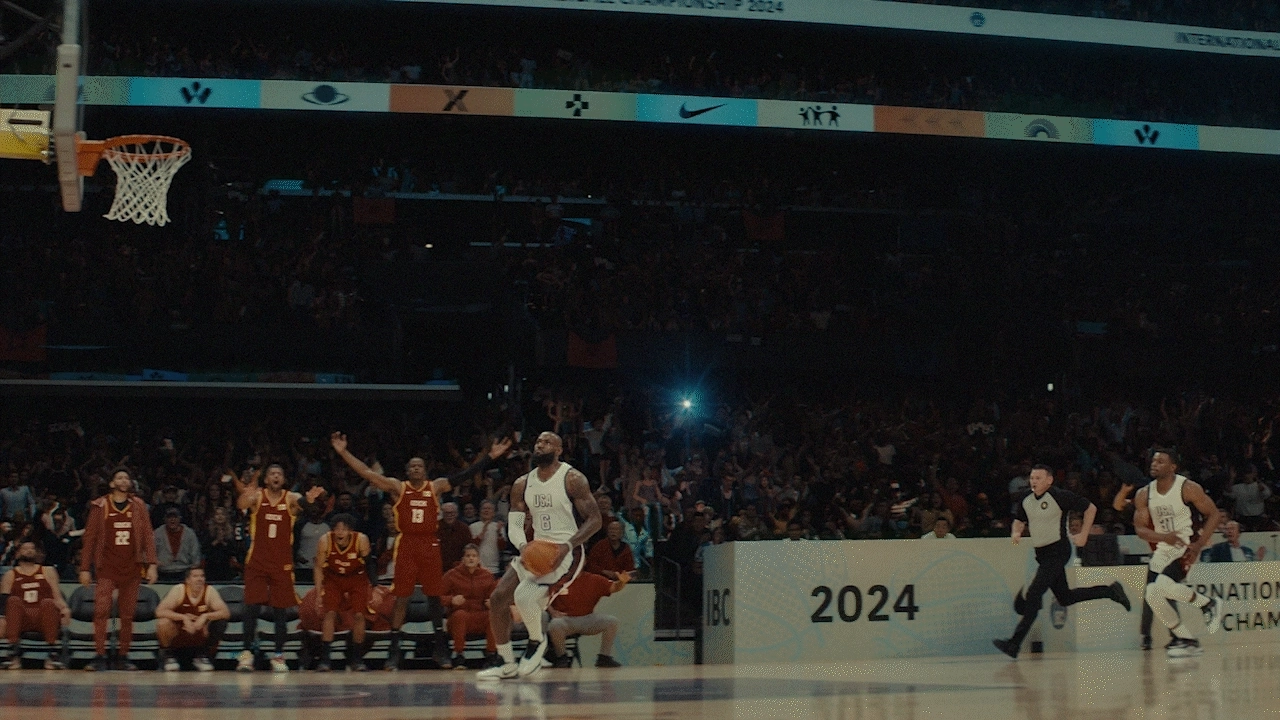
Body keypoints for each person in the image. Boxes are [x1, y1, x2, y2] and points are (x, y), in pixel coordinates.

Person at [331, 431, 512, 670]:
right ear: (407, 471)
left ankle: (440, 648)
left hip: (429, 544)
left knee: (434, 597)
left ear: (425, 470)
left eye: (419, 466)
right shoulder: (398, 487)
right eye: (412, 466)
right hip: (407, 544)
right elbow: (367, 473)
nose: (416, 469)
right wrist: (343, 452)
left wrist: (490, 456)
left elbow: (463, 475)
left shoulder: (435, 487)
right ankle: (394, 650)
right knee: (402, 597)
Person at [479, 431, 602, 680]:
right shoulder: (522, 484)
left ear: (559, 450)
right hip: (536, 549)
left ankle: (537, 642)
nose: (540, 445)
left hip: (567, 552)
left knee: (524, 597)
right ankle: (507, 663)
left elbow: (595, 520)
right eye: (538, 442)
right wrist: (524, 547)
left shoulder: (572, 479)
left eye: (547, 442)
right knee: (498, 598)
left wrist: (567, 545)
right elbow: (514, 524)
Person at [993, 465, 1130, 659]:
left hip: (1058, 550)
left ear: (1049, 480)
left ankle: (1014, 643)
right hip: (1042, 554)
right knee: (1065, 597)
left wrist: (1083, 535)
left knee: (1034, 593)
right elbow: (1019, 519)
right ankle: (1110, 591)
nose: (1033, 481)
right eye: (1032, 478)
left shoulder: (1059, 496)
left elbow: (1091, 508)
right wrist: (1016, 531)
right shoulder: (1026, 499)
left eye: (1038, 478)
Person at [234, 463, 323, 673]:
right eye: (272, 473)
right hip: (257, 561)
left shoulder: (290, 498)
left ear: (283, 479)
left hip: (281, 563)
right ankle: (246, 654)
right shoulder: (257, 496)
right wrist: (247, 492)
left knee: (280, 611)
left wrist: (309, 500)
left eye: (279, 474)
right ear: (266, 479)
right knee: (251, 608)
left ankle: (279, 655)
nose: (275, 476)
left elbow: (305, 505)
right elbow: (241, 505)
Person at [1133, 449, 1222, 657]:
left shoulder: (1188, 488)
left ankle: (1208, 604)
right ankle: (1187, 639)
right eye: (1153, 461)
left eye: (1161, 461)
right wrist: (1164, 538)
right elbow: (1140, 530)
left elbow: (1214, 514)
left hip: (1185, 546)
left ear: (1173, 467)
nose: (1154, 464)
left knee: (1161, 586)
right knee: (1152, 595)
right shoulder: (1144, 494)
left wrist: (1199, 544)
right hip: (1164, 548)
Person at [79, 468, 158, 671]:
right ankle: (100, 654)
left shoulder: (138, 505)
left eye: (126, 477)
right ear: (112, 483)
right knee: (102, 611)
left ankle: (122, 655)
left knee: (126, 615)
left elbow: (148, 536)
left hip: (132, 568)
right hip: (106, 567)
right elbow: (89, 538)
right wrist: (84, 568)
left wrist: (152, 565)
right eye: (119, 477)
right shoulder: (100, 505)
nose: (124, 480)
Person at [313, 513, 371, 672]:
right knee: (329, 613)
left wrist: (375, 586)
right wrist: (319, 592)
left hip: (357, 578)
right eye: (337, 529)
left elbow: (370, 565)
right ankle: (325, 660)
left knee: (359, 615)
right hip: (333, 579)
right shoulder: (325, 541)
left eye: (344, 529)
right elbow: (318, 567)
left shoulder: (361, 540)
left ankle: (357, 659)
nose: (340, 532)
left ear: (351, 531)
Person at [1, 541, 70, 669]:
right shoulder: (10, 575)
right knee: (13, 601)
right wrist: (2, 618)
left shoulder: (47, 571)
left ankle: (52, 652)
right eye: (25, 548)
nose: (29, 550)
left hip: (43, 616)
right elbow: (3, 603)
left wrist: (65, 609)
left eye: (32, 548)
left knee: (48, 602)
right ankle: (13, 652)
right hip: (22, 618)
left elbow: (57, 596)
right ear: (17, 554)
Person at [546, 570, 631, 668]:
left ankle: (604, 657)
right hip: (565, 620)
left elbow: (614, 587)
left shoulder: (594, 579)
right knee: (555, 624)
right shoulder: (557, 579)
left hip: (587, 618)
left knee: (612, 621)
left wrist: (622, 582)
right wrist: (552, 611)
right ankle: (561, 657)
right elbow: (544, 597)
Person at [155, 567, 230, 672]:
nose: (200, 579)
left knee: (220, 622)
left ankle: (203, 656)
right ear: (187, 580)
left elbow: (225, 612)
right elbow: (159, 611)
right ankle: (169, 656)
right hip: (180, 634)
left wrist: (205, 617)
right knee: (163, 622)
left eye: (202, 576)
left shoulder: (209, 591)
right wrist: (183, 618)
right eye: (195, 576)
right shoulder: (179, 590)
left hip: (200, 635)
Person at [441, 544, 498, 669]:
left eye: (474, 556)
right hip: (459, 616)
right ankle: (459, 655)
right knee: (460, 615)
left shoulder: (487, 575)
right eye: (468, 556)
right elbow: (437, 597)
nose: (471, 559)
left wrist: (492, 602)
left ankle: (491, 654)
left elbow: (495, 597)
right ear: (462, 559)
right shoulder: (451, 575)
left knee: (492, 616)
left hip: (480, 615)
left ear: (478, 559)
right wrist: (451, 600)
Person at [154, 508, 202, 582]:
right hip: (163, 572)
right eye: (169, 517)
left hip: (184, 572)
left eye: (175, 517)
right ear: (165, 519)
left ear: (180, 518)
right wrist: (155, 562)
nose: (172, 520)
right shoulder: (157, 533)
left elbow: (196, 556)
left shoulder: (189, 533)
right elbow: (149, 552)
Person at [1225, 464, 1272, 532]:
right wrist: (1232, 478)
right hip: (1242, 518)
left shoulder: (1259, 486)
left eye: (1249, 473)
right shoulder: (1238, 487)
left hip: (1257, 518)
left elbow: (1267, 494)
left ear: (1254, 474)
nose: (1247, 476)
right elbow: (1227, 493)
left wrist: (1262, 489)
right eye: (1246, 473)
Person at [470, 500, 507, 576]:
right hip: (477, 567)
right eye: (484, 508)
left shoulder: (499, 526)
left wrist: (499, 533)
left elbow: (502, 547)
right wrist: (483, 531)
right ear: (480, 511)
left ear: (493, 512)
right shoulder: (473, 526)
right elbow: (472, 546)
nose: (486, 510)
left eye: (489, 508)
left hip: (494, 568)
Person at [1201, 520, 1266, 562]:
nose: (1229, 531)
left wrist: (1257, 559)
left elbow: (1251, 568)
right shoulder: (1218, 548)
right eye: (1227, 529)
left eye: (1232, 529)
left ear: (1239, 533)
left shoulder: (1248, 551)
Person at [439, 502, 473, 571]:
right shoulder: (436, 527)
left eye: (452, 513)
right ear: (442, 514)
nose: (449, 515)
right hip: (438, 567)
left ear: (457, 514)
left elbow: (468, 549)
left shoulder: (464, 528)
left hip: (458, 569)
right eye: (446, 513)